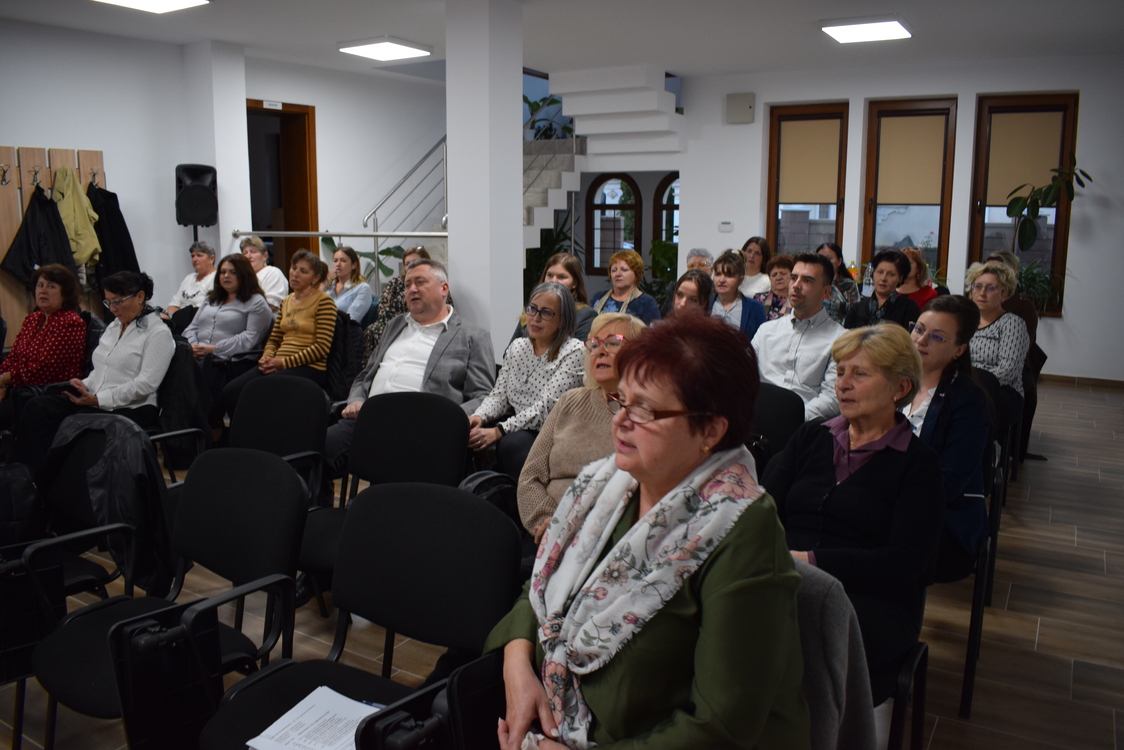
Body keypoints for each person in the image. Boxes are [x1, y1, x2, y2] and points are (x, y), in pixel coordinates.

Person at [487, 313, 809, 750]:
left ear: (711, 429)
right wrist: (517, 666)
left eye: (645, 409)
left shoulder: (740, 528)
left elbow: (720, 726)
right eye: (621, 400)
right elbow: (542, 584)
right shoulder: (606, 484)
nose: (619, 421)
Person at [764, 323, 945, 704]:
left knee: (782, 637)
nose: (842, 385)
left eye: (859, 374)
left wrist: (809, 561)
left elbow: (903, 563)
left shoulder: (919, 465)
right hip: (786, 578)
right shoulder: (811, 437)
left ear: (899, 388)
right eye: (840, 372)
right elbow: (764, 511)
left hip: (873, 600)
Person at [326, 258, 494, 493]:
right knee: (318, 452)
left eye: (420, 282)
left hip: (422, 428)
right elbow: (365, 375)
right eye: (407, 285)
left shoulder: (472, 335)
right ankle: (321, 513)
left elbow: (482, 395)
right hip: (369, 420)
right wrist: (355, 399)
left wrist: (449, 419)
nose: (412, 289)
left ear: (444, 288)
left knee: (398, 482)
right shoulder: (395, 325)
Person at [15, 271, 175, 476]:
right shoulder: (114, 327)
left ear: (140, 296)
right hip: (96, 398)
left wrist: (99, 400)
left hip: (133, 407)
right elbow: (100, 370)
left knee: (71, 422)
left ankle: (49, 480)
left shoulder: (158, 333)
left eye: (118, 301)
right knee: (37, 407)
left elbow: (146, 384)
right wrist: (84, 384)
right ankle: (23, 476)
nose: (113, 308)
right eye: (109, 302)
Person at [517, 312, 646, 541]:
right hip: (544, 534)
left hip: (603, 538)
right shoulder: (570, 401)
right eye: (594, 344)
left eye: (613, 343)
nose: (600, 351)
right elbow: (530, 476)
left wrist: (574, 532)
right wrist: (550, 523)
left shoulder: (646, 415)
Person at [905, 296, 991, 582]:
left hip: (943, 518)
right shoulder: (891, 380)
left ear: (959, 350)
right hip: (883, 498)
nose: (921, 340)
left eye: (937, 337)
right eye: (919, 329)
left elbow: (948, 482)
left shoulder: (969, 400)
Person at [470, 281, 585, 482]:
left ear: (562, 320)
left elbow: (546, 409)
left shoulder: (574, 351)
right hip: (517, 424)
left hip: (552, 431)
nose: (535, 318)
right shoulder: (518, 347)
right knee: (466, 433)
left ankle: (521, 501)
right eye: (532, 309)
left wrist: (500, 430)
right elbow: (499, 396)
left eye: (546, 313)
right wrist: (479, 416)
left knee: (513, 445)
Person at [220, 249, 336, 415]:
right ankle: (245, 431)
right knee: (231, 391)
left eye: (303, 271)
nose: (295, 274)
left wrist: (283, 363)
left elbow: (321, 348)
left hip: (308, 367)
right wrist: (267, 357)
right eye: (293, 268)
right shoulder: (287, 301)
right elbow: (274, 339)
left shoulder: (324, 302)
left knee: (260, 391)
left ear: (315, 278)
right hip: (277, 364)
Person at [182, 253, 273, 425]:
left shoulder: (256, 302)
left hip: (231, 361)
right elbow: (192, 327)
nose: (226, 276)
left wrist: (213, 349)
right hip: (200, 356)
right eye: (223, 272)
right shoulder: (211, 298)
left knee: (201, 391)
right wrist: (192, 346)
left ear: (244, 275)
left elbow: (250, 338)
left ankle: (211, 428)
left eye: (233, 272)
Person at [752, 253, 845, 420]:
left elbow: (832, 398)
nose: (796, 285)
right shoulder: (766, 331)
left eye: (807, 280)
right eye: (794, 278)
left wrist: (791, 420)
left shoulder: (840, 339)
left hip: (805, 426)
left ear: (826, 291)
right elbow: (742, 376)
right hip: (757, 420)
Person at [0, 264, 86, 430]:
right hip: (19, 386)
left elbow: (42, 369)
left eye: (51, 286)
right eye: (40, 285)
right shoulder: (33, 319)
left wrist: (4, 379)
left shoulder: (70, 323)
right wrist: (1, 384)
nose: (43, 291)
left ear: (65, 293)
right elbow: (13, 356)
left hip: (47, 393)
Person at [966, 260, 1030, 431]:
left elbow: (1008, 371)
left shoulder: (1012, 323)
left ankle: (982, 448)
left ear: (1004, 295)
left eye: (991, 288)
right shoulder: (965, 321)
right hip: (965, 385)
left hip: (1002, 392)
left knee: (966, 406)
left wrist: (970, 383)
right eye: (978, 286)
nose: (982, 293)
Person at [362, 246, 456, 360]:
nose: (412, 266)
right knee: (374, 330)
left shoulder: (437, 284)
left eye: (416, 262)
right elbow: (384, 308)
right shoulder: (395, 283)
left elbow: (445, 308)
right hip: (398, 323)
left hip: (428, 325)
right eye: (407, 264)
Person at [513, 253, 597, 343]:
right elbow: (510, 349)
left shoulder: (586, 315)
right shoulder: (532, 309)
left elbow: (583, 350)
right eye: (549, 275)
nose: (554, 281)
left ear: (575, 283)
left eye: (562, 277)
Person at [843, 249, 921, 331]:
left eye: (891, 274)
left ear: (900, 278)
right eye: (880, 272)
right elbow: (847, 337)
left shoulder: (909, 307)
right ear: (873, 273)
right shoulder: (857, 308)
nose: (883, 278)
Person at [589, 249, 661, 325]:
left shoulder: (646, 303)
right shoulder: (598, 297)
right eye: (614, 270)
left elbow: (654, 331)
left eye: (624, 270)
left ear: (636, 274)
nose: (618, 274)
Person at [709, 250, 767, 340]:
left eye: (729, 275)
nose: (722, 280)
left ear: (740, 279)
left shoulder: (755, 308)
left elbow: (763, 340)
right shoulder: (705, 304)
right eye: (718, 274)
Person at [163, 241, 216, 319]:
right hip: (179, 320)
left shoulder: (216, 278)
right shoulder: (189, 278)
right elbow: (175, 304)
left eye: (199, 255)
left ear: (212, 258)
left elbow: (206, 309)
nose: (195, 259)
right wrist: (166, 318)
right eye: (192, 256)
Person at [240, 235, 289, 311]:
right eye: (245, 253)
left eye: (253, 252)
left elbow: (272, 306)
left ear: (265, 256)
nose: (248, 256)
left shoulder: (273, 273)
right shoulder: (241, 276)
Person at [324, 246, 373, 322]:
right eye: (335, 261)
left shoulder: (362, 288)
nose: (338, 264)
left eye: (343, 261)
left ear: (354, 265)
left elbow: (352, 320)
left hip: (342, 328)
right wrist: (323, 285)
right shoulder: (328, 285)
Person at [817, 242, 860, 323]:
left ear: (839, 261)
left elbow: (854, 314)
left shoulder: (848, 285)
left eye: (828, 258)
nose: (823, 262)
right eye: (820, 259)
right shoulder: (812, 284)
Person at [754, 253, 795, 320]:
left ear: (793, 276)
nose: (778, 278)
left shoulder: (798, 300)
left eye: (783, 273)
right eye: (774, 275)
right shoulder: (759, 299)